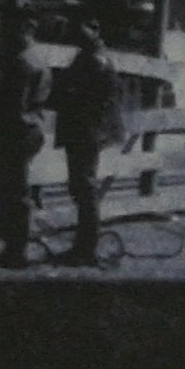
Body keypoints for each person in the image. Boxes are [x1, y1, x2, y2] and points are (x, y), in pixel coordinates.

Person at [50, 15, 123, 267]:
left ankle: (87, 249)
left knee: (84, 187)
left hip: (87, 131)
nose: (76, 33)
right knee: (81, 188)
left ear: (95, 29)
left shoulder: (95, 60)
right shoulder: (88, 56)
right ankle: (82, 247)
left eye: (82, 28)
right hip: (83, 130)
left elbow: (97, 100)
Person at [0, 9, 54, 268]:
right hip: (33, 126)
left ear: (26, 28)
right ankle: (17, 247)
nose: (9, 34)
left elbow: (12, 105)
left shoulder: (20, 62)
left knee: (10, 191)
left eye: (15, 29)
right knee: (18, 189)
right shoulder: (39, 57)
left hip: (16, 129)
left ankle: (15, 251)